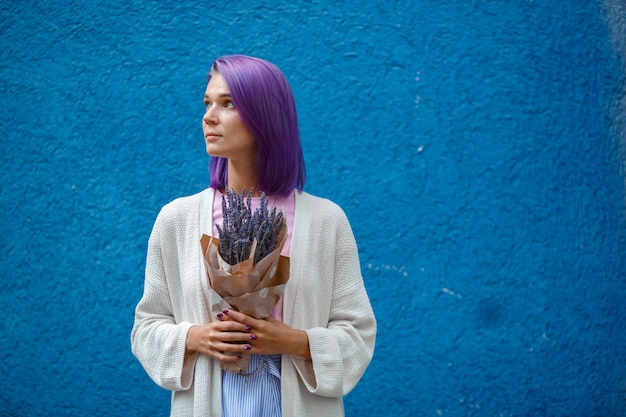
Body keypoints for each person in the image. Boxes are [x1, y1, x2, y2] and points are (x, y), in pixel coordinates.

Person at [131, 54, 376, 417]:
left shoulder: (327, 221)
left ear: (266, 116)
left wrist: (295, 342)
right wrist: (195, 338)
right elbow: (146, 328)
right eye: (207, 103)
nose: (208, 116)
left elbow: (358, 334)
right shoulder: (176, 220)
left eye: (227, 104)